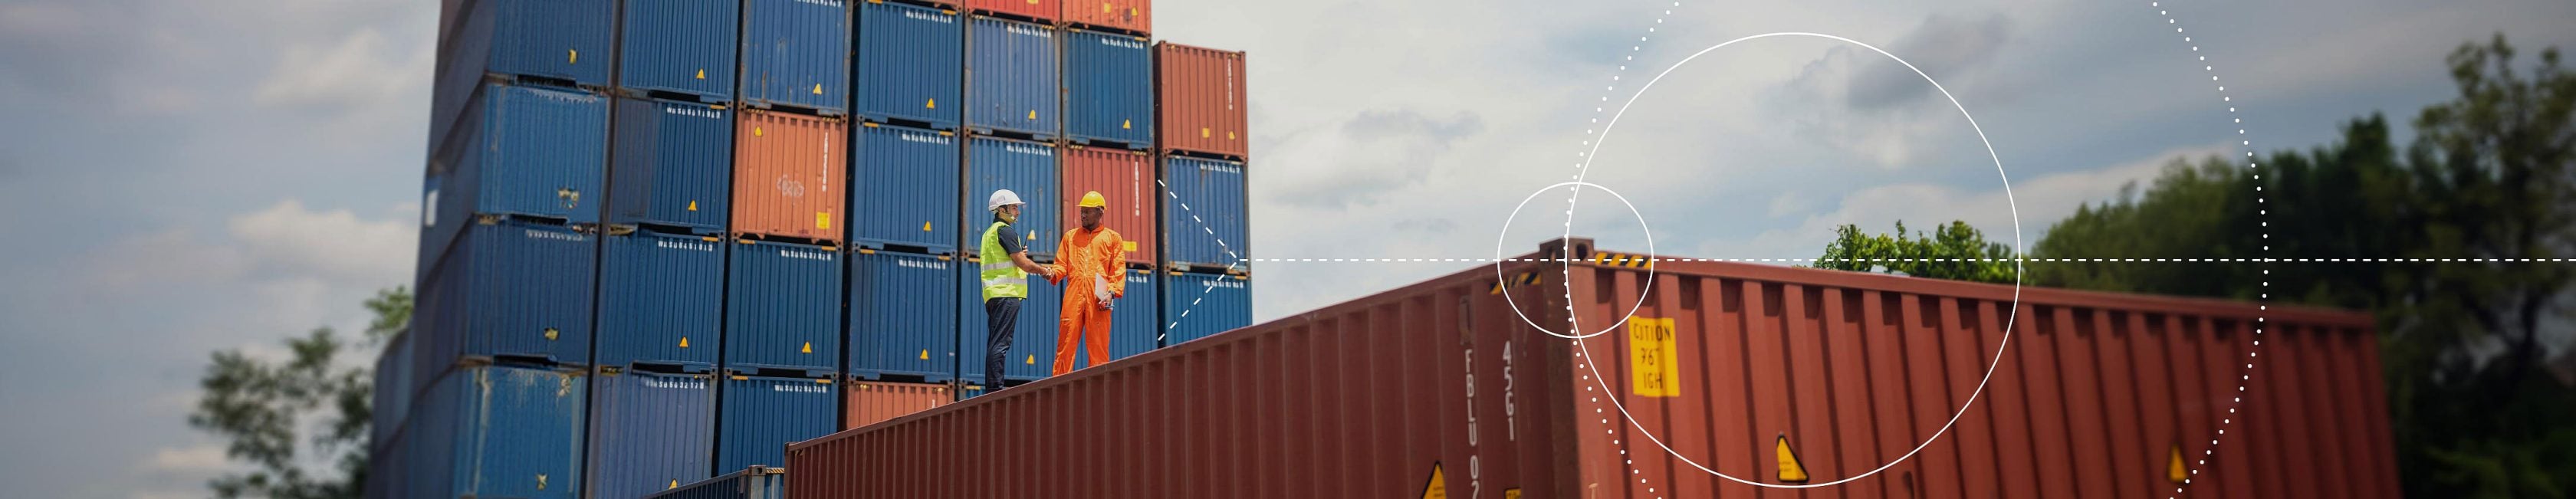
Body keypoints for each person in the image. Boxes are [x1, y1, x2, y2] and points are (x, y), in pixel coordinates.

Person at [978, 189, 1059, 389]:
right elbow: (1023, 264)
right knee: (1001, 345)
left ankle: (992, 386)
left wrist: (1017, 254)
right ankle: (995, 389)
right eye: (1014, 207)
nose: (1018, 212)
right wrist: (1044, 271)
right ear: (1002, 210)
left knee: (995, 343)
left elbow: (1004, 259)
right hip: (1006, 294)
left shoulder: (990, 233)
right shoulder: (1005, 231)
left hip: (994, 295)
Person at [1046, 191, 1128, 375]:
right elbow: (1060, 265)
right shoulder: (1070, 237)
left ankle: (1099, 389)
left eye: (1087, 211)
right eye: (1082, 211)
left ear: (1100, 212)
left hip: (1100, 299)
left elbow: (1118, 270)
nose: (1082, 215)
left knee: (1098, 347)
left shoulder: (1113, 239)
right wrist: (1051, 273)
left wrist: (1112, 293)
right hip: (1073, 298)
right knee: (1065, 345)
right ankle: (1059, 385)